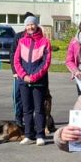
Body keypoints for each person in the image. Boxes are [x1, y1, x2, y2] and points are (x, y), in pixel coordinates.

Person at [13, 15, 51, 145]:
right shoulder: (22, 41)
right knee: (26, 109)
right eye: (28, 25)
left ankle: (40, 135)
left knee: (39, 109)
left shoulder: (45, 42)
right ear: (25, 27)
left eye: (32, 24)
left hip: (38, 81)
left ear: (36, 25)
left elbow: (46, 63)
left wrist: (34, 77)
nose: (30, 27)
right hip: (24, 81)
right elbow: (16, 61)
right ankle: (28, 135)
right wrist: (24, 76)